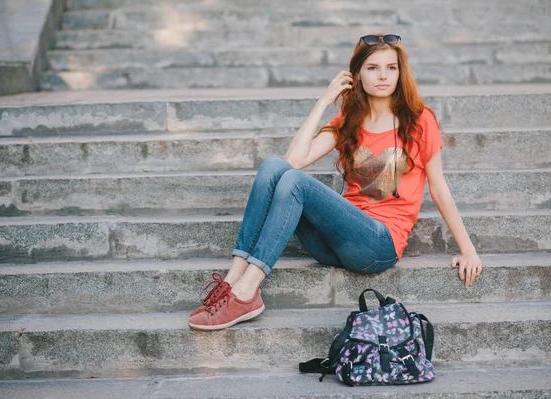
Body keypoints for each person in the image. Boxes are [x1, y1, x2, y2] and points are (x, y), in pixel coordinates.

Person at [188, 33, 483, 331]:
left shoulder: (419, 121)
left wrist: (468, 249)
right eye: (372, 68)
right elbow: (293, 160)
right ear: (356, 75)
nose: (383, 75)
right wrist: (324, 101)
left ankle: (247, 291)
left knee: (296, 183)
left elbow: (440, 189)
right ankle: (231, 282)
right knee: (273, 166)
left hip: (378, 245)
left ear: (400, 72)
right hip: (333, 242)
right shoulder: (348, 123)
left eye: (391, 68)